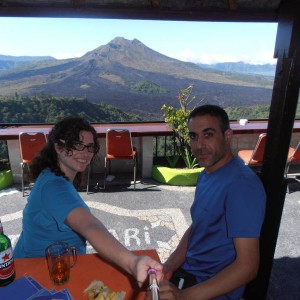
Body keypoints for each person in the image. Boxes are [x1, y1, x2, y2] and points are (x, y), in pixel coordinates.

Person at [14, 116, 162, 286]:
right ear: (58, 147)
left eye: (90, 147)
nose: (85, 153)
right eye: (77, 145)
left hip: (42, 263)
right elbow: (88, 225)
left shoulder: (51, 173)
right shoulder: (54, 187)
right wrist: (132, 262)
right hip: (40, 274)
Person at [156, 105, 266, 299]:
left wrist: (184, 296)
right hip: (189, 274)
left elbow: (248, 266)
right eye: (193, 136)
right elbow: (198, 227)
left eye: (208, 135)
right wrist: (170, 265)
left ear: (228, 136)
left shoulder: (241, 186)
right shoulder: (207, 174)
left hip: (209, 288)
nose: (199, 145)